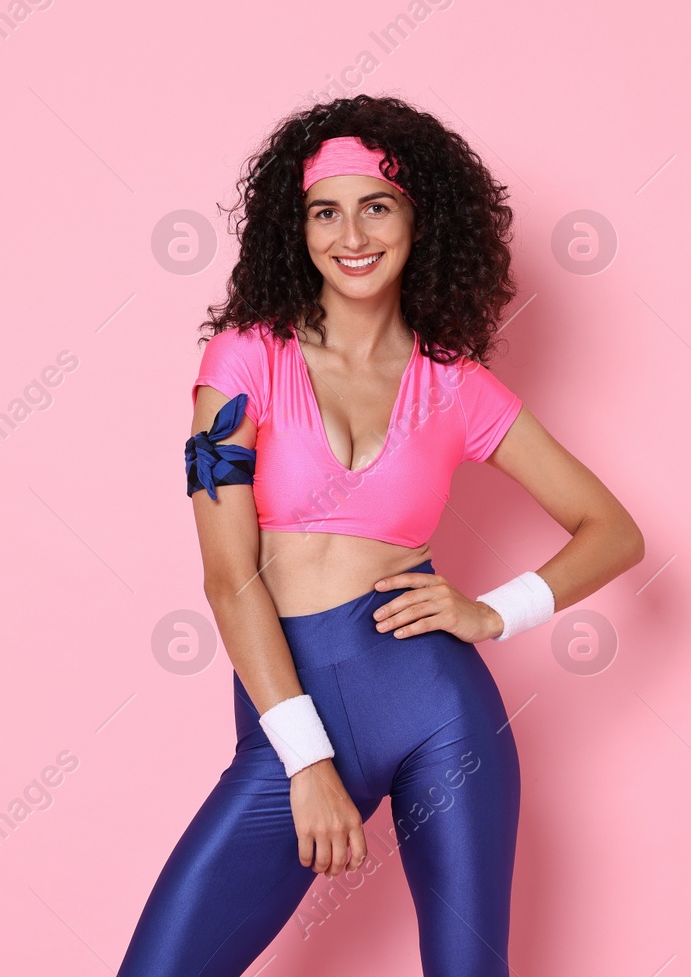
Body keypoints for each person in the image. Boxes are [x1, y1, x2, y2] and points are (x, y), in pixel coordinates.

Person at [117, 94, 644, 976]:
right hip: (296, 719)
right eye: (326, 210)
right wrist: (306, 758)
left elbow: (614, 532)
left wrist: (494, 612)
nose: (350, 233)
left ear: (418, 219)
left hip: (442, 708)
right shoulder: (245, 361)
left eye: (378, 205)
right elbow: (228, 576)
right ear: (299, 228)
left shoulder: (456, 385)